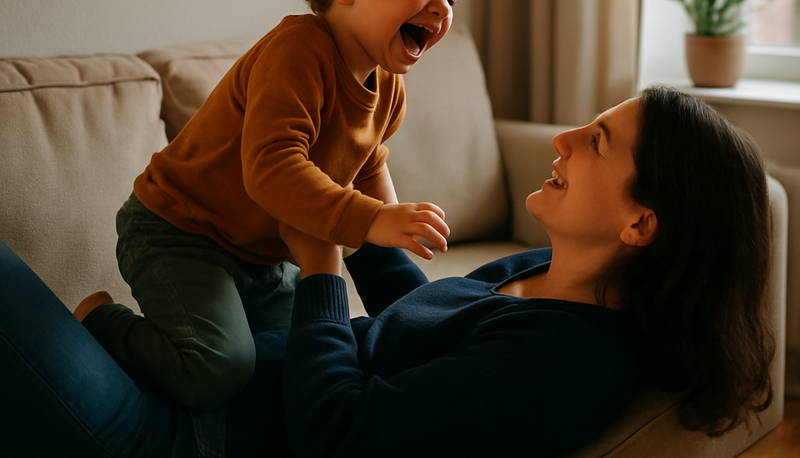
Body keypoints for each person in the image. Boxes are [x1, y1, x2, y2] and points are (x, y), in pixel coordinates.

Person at [0, 85, 775, 457]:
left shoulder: (568, 361)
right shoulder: (546, 271)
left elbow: (338, 436)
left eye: (596, 141)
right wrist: (365, 202)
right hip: (210, 386)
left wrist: (321, 267)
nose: (563, 138)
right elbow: (421, 322)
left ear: (641, 224)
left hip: (181, 437)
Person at [73, 0, 499, 410]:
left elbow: (366, 162)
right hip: (180, 230)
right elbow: (272, 169)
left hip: (266, 256)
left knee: (295, 366)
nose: (441, 9)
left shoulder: (388, 87)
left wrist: (394, 233)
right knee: (218, 370)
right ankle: (99, 320)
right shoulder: (297, 52)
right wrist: (371, 219)